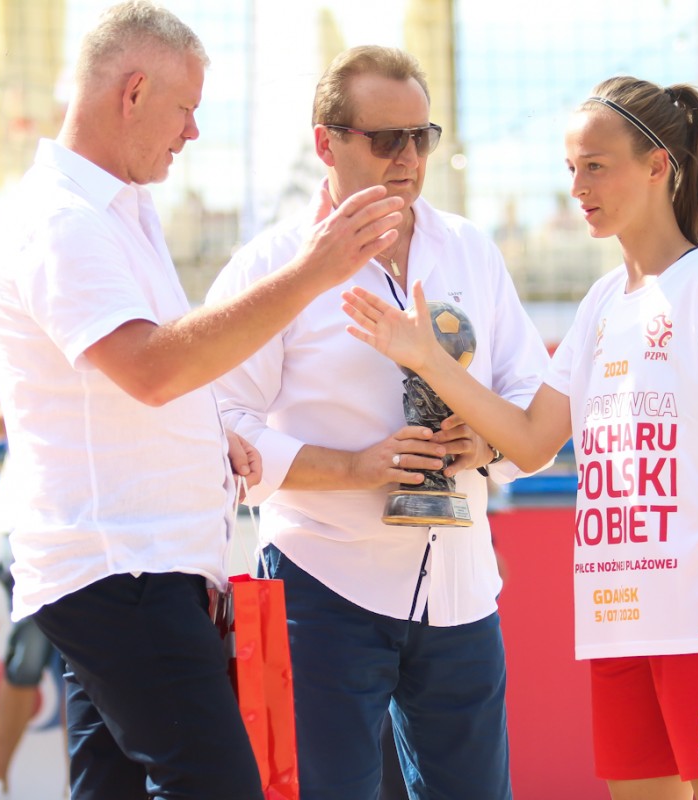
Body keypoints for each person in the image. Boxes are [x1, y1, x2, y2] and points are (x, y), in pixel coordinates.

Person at [344, 75, 698, 800]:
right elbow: (532, 442)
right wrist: (428, 361)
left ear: (658, 165)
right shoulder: (601, 304)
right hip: (620, 621)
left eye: (596, 166)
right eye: (571, 168)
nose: (578, 188)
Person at [0, 3, 403, 798]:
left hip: (129, 565)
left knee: (116, 788)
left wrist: (210, 434)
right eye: (186, 108)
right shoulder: (64, 222)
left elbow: (141, 377)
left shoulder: (111, 213)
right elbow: (149, 369)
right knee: (216, 785)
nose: (193, 132)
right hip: (121, 568)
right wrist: (313, 272)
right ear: (134, 92)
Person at [206, 45, 549, 800]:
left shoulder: (471, 250)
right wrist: (355, 468)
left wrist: (484, 441)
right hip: (322, 586)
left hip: (461, 587)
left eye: (421, 137)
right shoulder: (272, 265)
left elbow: (532, 395)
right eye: (387, 138)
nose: (409, 158)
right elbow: (218, 424)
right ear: (326, 142)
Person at [0, 363, 66, 800]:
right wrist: (48, 397)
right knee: (27, 653)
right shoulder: (14, 347)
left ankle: (78, 787)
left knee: (81, 663)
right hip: (28, 521)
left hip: (86, 519)